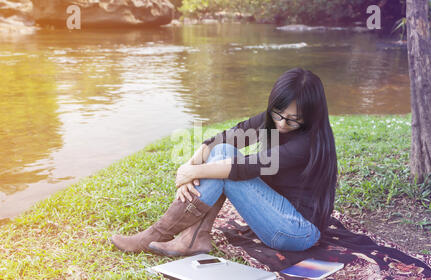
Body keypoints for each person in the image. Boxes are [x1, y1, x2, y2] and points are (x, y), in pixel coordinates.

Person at [110, 67, 338, 257]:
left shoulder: (307, 143)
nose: (281, 123)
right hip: (275, 215)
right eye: (278, 114)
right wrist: (188, 167)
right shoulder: (273, 120)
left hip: (295, 231)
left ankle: (160, 233)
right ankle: (194, 238)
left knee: (225, 169)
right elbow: (225, 138)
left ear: (310, 116)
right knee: (223, 150)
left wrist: (195, 172)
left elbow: (245, 168)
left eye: (292, 120)